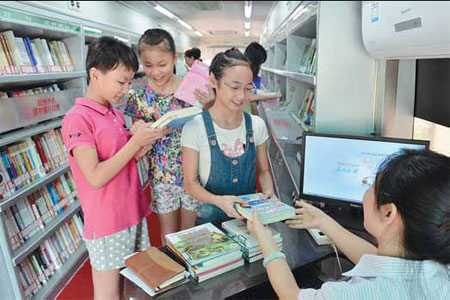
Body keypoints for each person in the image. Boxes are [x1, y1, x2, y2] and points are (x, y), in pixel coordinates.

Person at [247, 149, 450, 300]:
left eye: (372, 185)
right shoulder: (437, 270)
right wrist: (323, 221)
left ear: (389, 212)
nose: (367, 191)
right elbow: (379, 263)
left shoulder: (359, 293)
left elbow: (290, 295)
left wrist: (267, 243)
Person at [62, 36, 167, 300]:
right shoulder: (77, 119)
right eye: (121, 81)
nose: (126, 89)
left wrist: (141, 146)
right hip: (108, 221)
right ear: (95, 74)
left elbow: (123, 160)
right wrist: (134, 146)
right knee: (109, 294)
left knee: (133, 287)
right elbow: (95, 176)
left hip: (132, 210)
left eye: (130, 82)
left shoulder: (115, 113)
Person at [124, 29, 205, 244]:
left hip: (193, 173)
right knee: (168, 235)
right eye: (148, 66)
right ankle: (173, 274)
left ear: (174, 59)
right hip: (161, 176)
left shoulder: (192, 88)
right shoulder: (139, 97)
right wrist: (139, 131)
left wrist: (209, 104)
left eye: (162, 65)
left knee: (191, 234)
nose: (156, 73)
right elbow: (138, 145)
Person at [181, 49, 276, 226]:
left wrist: (269, 190)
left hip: (248, 223)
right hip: (210, 225)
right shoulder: (195, 127)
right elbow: (190, 184)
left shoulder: (257, 125)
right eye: (234, 87)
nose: (242, 97)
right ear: (213, 81)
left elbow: (263, 171)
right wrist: (219, 201)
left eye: (248, 89)